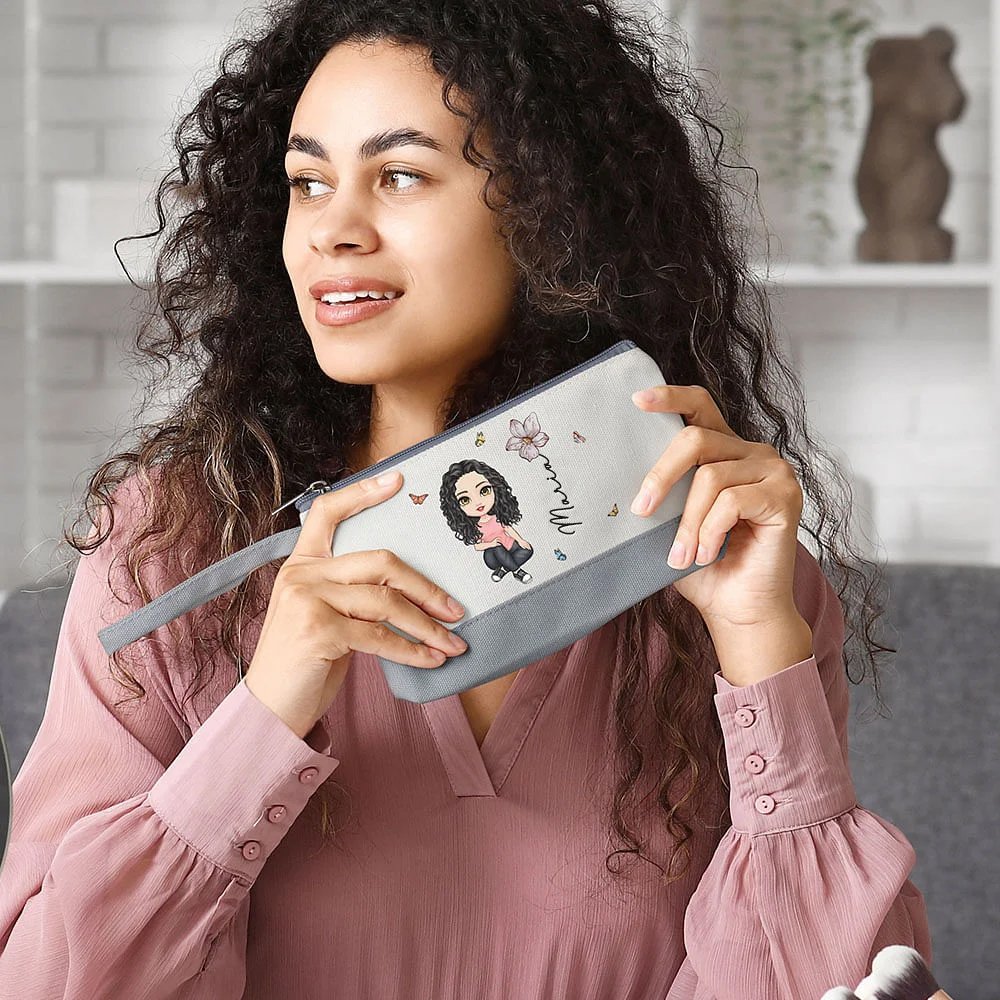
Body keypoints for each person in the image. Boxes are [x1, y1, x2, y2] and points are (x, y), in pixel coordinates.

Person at [0, 1, 932, 997]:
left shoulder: (728, 568)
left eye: (400, 175)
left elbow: (839, 978)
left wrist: (760, 650)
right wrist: (264, 712)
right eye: (307, 183)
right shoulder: (171, 543)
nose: (332, 232)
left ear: (553, 210)